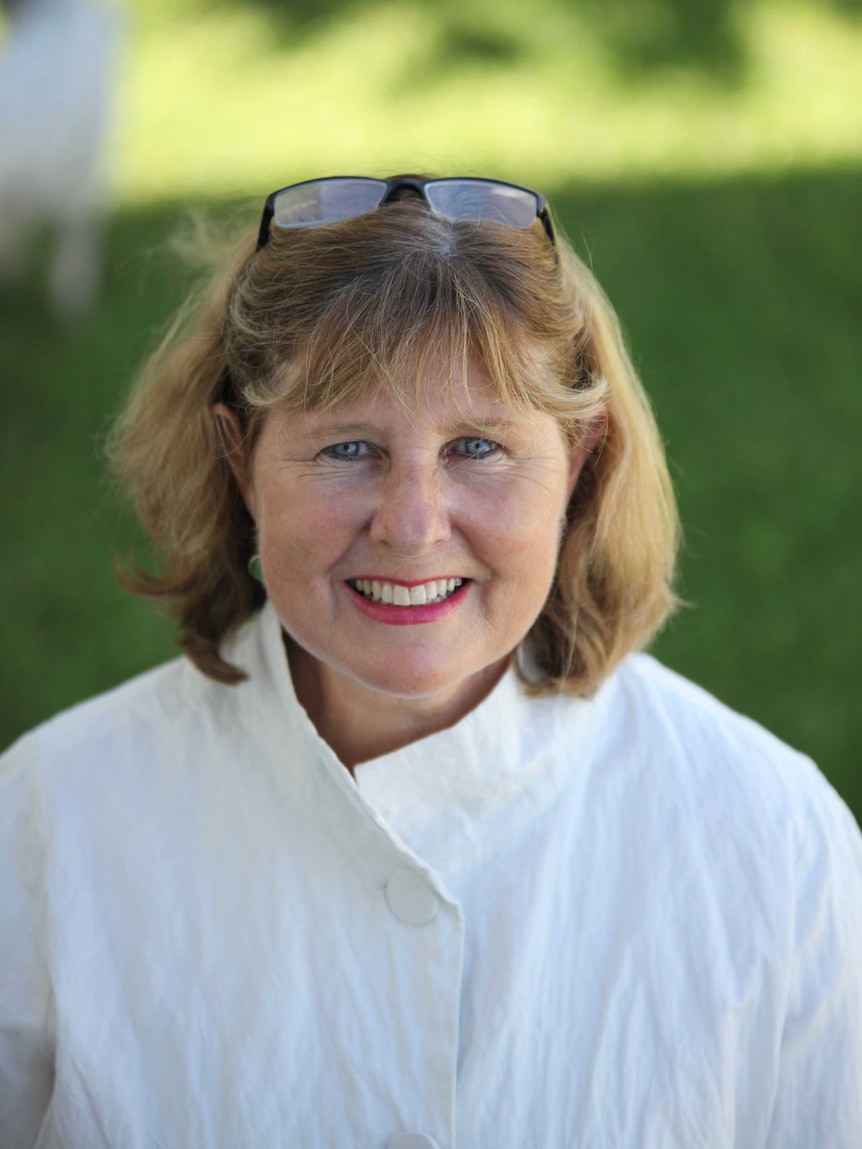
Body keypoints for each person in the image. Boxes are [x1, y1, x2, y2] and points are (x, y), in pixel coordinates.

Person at [1, 175, 860, 1149]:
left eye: (478, 447)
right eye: (348, 448)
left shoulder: (771, 844)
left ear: (580, 463)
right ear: (240, 463)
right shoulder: (47, 829)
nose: (411, 527)